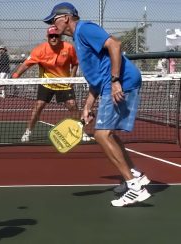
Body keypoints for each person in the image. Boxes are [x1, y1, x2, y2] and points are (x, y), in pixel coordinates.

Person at [43, 2, 151, 207]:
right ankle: (137, 174)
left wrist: (116, 80)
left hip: (122, 81)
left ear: (66, 17)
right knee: (108, 133)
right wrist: (87, 106)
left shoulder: (85, 29)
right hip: (111, 84)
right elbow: (97, 77)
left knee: (102, 135)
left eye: (54, 19)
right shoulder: (78, 39)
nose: (52, 24)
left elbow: (115, 45)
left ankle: (134, 186)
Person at [13, 25, 91, 143]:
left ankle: (80, 130)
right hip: (46, 83)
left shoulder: (69, 48)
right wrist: (16, 75)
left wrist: (72, 78)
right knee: (38, 106)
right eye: (51, 36)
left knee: (72, 105)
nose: (54, 38)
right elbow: (26, 64)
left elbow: (75, 63)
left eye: (56, 36)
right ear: (47, 37)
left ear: (60, 36)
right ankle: (28, 131)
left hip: (64, 84)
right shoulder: (39, 50)